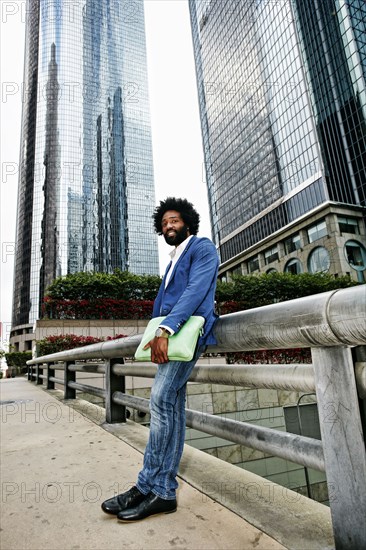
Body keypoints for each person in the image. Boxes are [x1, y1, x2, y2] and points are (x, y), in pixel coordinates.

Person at [101, 197, 219, 522]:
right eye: (165, 222)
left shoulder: (202, 248)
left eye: (175, 221)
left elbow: (196, 291)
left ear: (187, 223)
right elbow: (163, 303)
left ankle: (150, 486)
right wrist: (155, 337)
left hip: (183, 335)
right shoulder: (171, 261)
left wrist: (165, 329)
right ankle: (160, 488)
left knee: (160, 400)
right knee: (172, 406)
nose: (169, 225)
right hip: (168, 340)